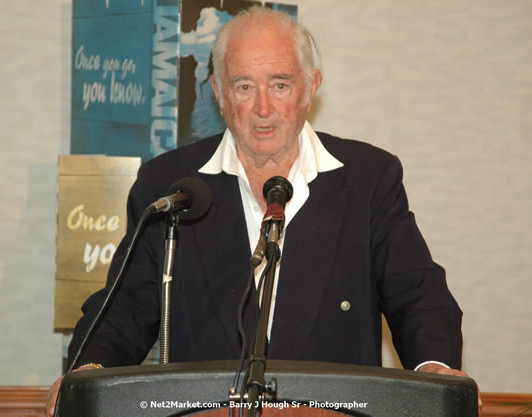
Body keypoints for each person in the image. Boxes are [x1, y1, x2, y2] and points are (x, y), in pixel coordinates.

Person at [46, 6, 479, 416]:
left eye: (280, 84)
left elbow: (416, 293)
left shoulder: (368, 179)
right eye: (244, 86)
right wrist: (88, 371)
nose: (263, 109)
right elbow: (125, 306)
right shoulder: (171, 184)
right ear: (218, 92)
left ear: (311, 88)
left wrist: (435, 371)